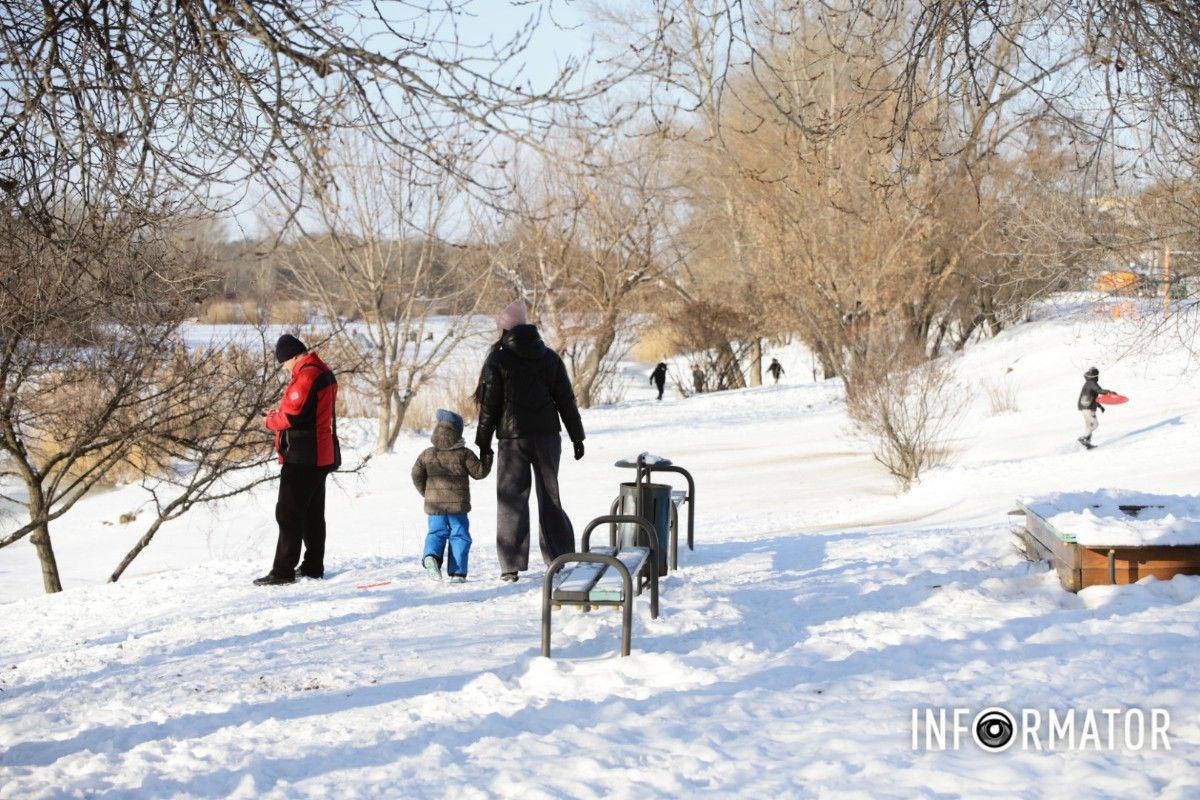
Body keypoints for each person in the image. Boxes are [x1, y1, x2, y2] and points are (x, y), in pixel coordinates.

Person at [475, 299, 585, 582]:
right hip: (547, 438)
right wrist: (577, 437)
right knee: (550, 495)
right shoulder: (548, 357)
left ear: (503, 331)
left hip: (513, 442)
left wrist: (483, 442)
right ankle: (559, 556)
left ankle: (510, 565)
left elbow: (489, 407)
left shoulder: (497, 360)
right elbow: (566, 401)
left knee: (511, 499)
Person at [256, 334, 341, 586]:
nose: (283, 367)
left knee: (288, 513)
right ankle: (313, 566)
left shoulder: (307, 375)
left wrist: (270, 420)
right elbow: (305, 411)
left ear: (293, 355)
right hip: (320, 453)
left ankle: (283, 570)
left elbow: (291, 417)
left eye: (284, 362)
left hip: (303, 455)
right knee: (312, 514)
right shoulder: (322, 371)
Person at [412, 409, 493, 583]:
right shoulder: (464, 453)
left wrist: (427, 493)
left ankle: (431, 556)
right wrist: (487, 454)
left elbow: (416, 474)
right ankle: (457, 573)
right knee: (459, 535)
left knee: (436, 533)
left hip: (435, 507)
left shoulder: (427, 454)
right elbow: (479, 472)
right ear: (458, 433)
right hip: (458, 508)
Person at [1077, 366, 1116, 450]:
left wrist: (1100, 406)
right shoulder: (1092, 382)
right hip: (1088, 407)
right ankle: (1083, 438)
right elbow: (1099, 391)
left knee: (1089, 425)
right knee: (1095, 424)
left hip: (1084, 406)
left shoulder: (1088, 382)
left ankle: (1086, 443)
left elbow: (1092, 396)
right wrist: (1109, 392)